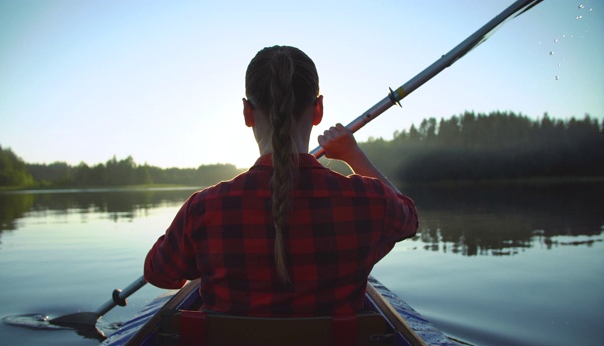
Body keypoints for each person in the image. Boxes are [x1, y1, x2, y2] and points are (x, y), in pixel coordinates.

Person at [144, 45, 418, 317]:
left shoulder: (203, 209)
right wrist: (354, 156)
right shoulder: (368, 200)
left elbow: (160, 274)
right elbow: (409, 220)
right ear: (318, 109)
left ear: (247, 113)